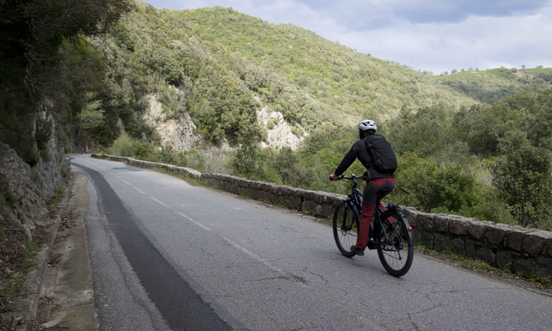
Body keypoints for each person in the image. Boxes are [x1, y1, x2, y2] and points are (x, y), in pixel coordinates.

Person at [329, 120, 395, 256]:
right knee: (375, 203)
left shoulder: (359, 144)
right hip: (390, 180)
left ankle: (359, 247)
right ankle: (392, 223)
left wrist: (336, 175)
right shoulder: (382, 143)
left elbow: (346, 161)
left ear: (361, 132)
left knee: (366, 214)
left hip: (375, 182)